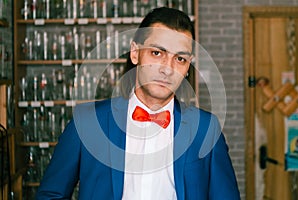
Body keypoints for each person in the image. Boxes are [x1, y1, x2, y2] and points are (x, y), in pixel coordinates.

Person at [36, 7, 240, 200]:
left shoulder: (206, 129)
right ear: (135, 53)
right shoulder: (87, 122)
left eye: (179, 58)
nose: (167, 69)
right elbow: (51, 195)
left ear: (188, 67)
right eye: (157, 53)